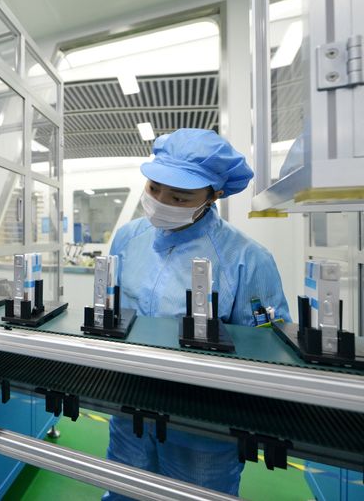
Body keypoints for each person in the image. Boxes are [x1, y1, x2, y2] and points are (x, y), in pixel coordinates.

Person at [104, 129, 290, 499]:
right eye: (154, 187)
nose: (159, 201)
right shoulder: (128, 238)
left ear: (214, 195)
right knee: (124, 489)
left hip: (203, 424)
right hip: (130, 405)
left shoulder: (247, 259)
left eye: (179, 196)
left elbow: (269, 348)